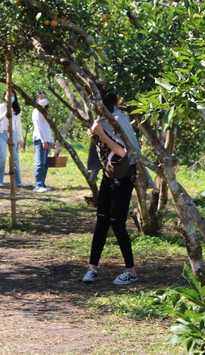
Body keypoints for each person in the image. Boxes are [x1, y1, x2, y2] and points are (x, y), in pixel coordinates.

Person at [82, 82, 145, 286]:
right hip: (110, 175)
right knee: (101, 221)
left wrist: (100, 133)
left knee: (117, 224)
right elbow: (108, 153)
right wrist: (96, 138)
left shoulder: (116, 119)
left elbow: (122, 153)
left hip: (123, 176)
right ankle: (92, 268)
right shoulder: (106, 119)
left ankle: (131, 272)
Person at [0, 92, 27, 187]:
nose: (10, 97)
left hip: (13, 133)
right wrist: (6, 113)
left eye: (12, 96)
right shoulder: (1, 107)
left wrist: (21, 138)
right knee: (2, 158)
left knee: (15, 158)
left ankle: (18, 181)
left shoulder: (16, 109)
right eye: (8, 95)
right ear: (4, 96)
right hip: (1, 133)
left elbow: (18, 125)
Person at [31, 91, 55, 193]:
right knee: (40, 163)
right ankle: (38, 185)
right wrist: (43, 140)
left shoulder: (45, 112)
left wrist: (51, 140)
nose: (44, 99)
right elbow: (38, 127)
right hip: (40, 140)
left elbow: (47, 128)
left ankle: (43, 183)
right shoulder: (36, 111)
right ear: (37, 100)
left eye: (45, 97)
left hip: (47, 140)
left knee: (45, 163)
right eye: (41, 98)